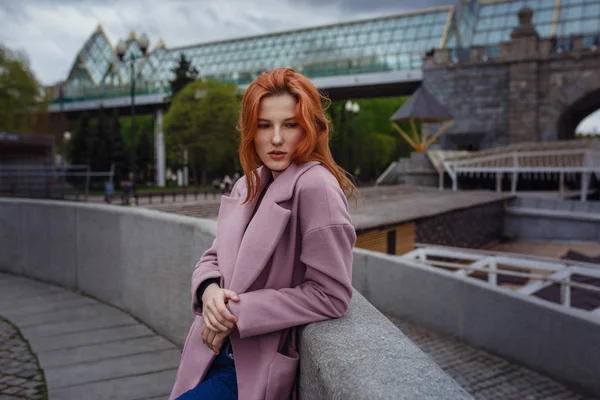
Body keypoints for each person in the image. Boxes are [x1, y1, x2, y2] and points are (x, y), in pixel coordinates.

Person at [170, 68, 357, 400]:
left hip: (251, 367)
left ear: (309, 128)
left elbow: (331, 294)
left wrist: (238, 312)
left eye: (289, 124)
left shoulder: (316, 187)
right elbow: (213, 257)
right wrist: (211, 291)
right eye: (264, 125)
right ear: (249, 131)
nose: (276, 139)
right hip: (209, 351)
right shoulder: (249, 183)